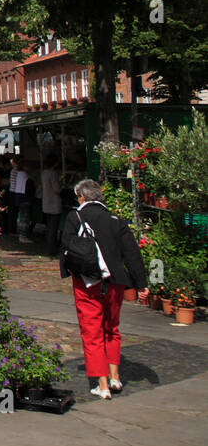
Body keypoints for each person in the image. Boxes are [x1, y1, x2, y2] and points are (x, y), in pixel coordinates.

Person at [61, 179, 148, 400]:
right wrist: (141, 284)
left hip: (87, 282)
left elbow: (66, 248)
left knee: (92, 333)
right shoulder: (115, 220)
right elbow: (132, 253)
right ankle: (115, 376)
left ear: (81, 196)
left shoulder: (75, 217)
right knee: (112, 329)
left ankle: (102, 385)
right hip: (115, 281)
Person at [40, 153, 64, 256]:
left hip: (46, 202)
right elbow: (57, 189)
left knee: (49, 227)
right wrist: (61, 185)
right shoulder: (53, 173)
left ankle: (49, 247)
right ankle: (52, 248)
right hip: (54, 203)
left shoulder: (44, 173)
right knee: (53, 228)